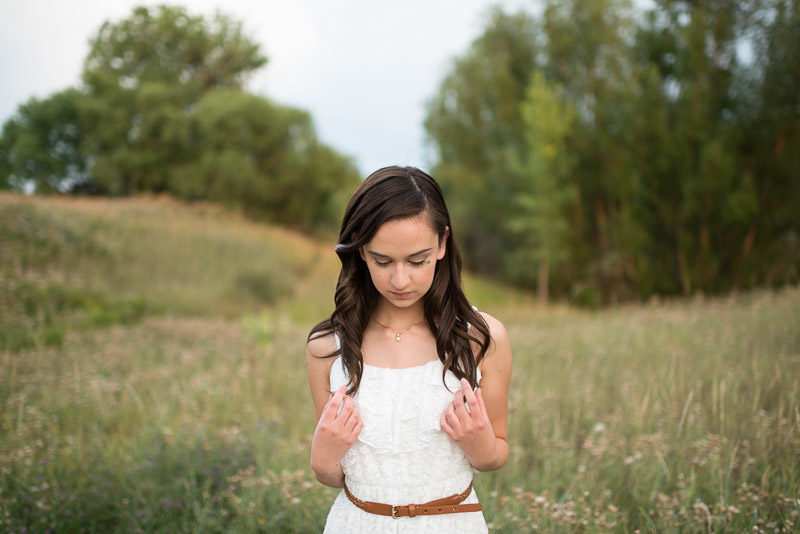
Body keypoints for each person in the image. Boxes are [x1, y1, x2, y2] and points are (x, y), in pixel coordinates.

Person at [306, 166, 512, 532]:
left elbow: (497, 453)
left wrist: (482, 449)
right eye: (382, 261)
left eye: (417, 260)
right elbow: (336, 475)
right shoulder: (326, 348)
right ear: (360, 248)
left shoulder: (482, 337)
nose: (400, 280)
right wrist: (322, 461)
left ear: (443, 243)